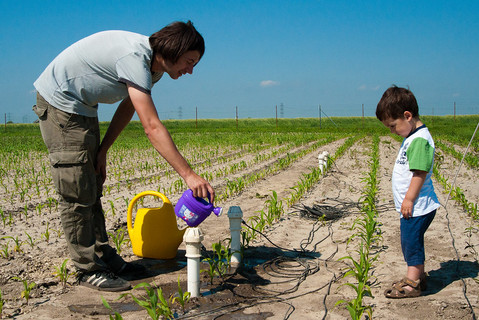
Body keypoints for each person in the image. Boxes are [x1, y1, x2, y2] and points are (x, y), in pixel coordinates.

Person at [32, 21, 214, 292]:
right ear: (173, 51)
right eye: (189, 62)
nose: (189, 70)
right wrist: (188, 174)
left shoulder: (153, 70)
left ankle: (103, 256)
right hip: (61, 103)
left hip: (83, 107)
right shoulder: (135, 59)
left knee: (91, 183)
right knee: (77, 190)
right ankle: (87, 269)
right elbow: (151, 126)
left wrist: (102, 150)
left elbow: (128, 108)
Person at [376, 86, 440, 298]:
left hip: (418, 206)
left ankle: (412, 283)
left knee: (410, 242)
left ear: (408, 116)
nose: (392, 131)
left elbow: (419, 174)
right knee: (412, 240)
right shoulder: (413, 136)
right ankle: (419, 277)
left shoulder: (420, 139)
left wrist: (409, 200)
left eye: (393, 126)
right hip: (416, 205)